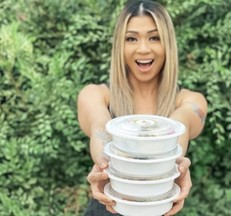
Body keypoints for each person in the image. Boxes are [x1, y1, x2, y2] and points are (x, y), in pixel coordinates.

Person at [77, 0, 208, 215]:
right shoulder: (95, 95)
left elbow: (180, 124)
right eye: (131, 38)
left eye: (154, 37)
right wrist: (104, 164)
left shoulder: (191, 101)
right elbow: (99, 128)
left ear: (168, 43)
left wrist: (174, 163)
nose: (143, 48)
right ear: (120, 45)